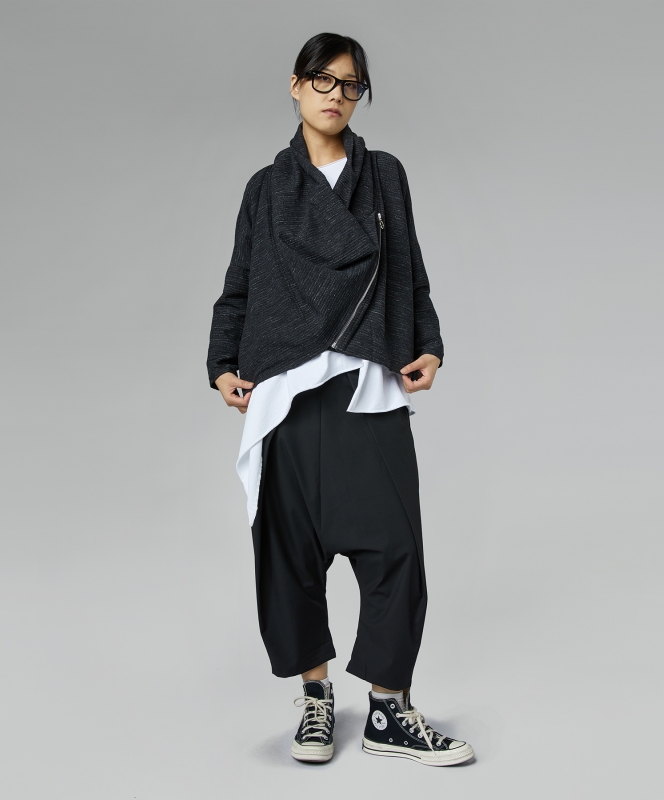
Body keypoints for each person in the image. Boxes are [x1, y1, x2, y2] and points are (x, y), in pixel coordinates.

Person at [206, 32, 474, 767]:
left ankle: (389, 709)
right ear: (296, 85)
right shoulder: (266, 188)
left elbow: (409, 270)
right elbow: (240, 284)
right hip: (285, 389)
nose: (336, 95)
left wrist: (429, 343)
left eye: (351, 84)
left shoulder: (383, 175)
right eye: (323, 80)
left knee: (396, 548)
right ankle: (316, 699)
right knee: (289, 550)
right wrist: (221, 364)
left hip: (366, 380)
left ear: (360, 96)